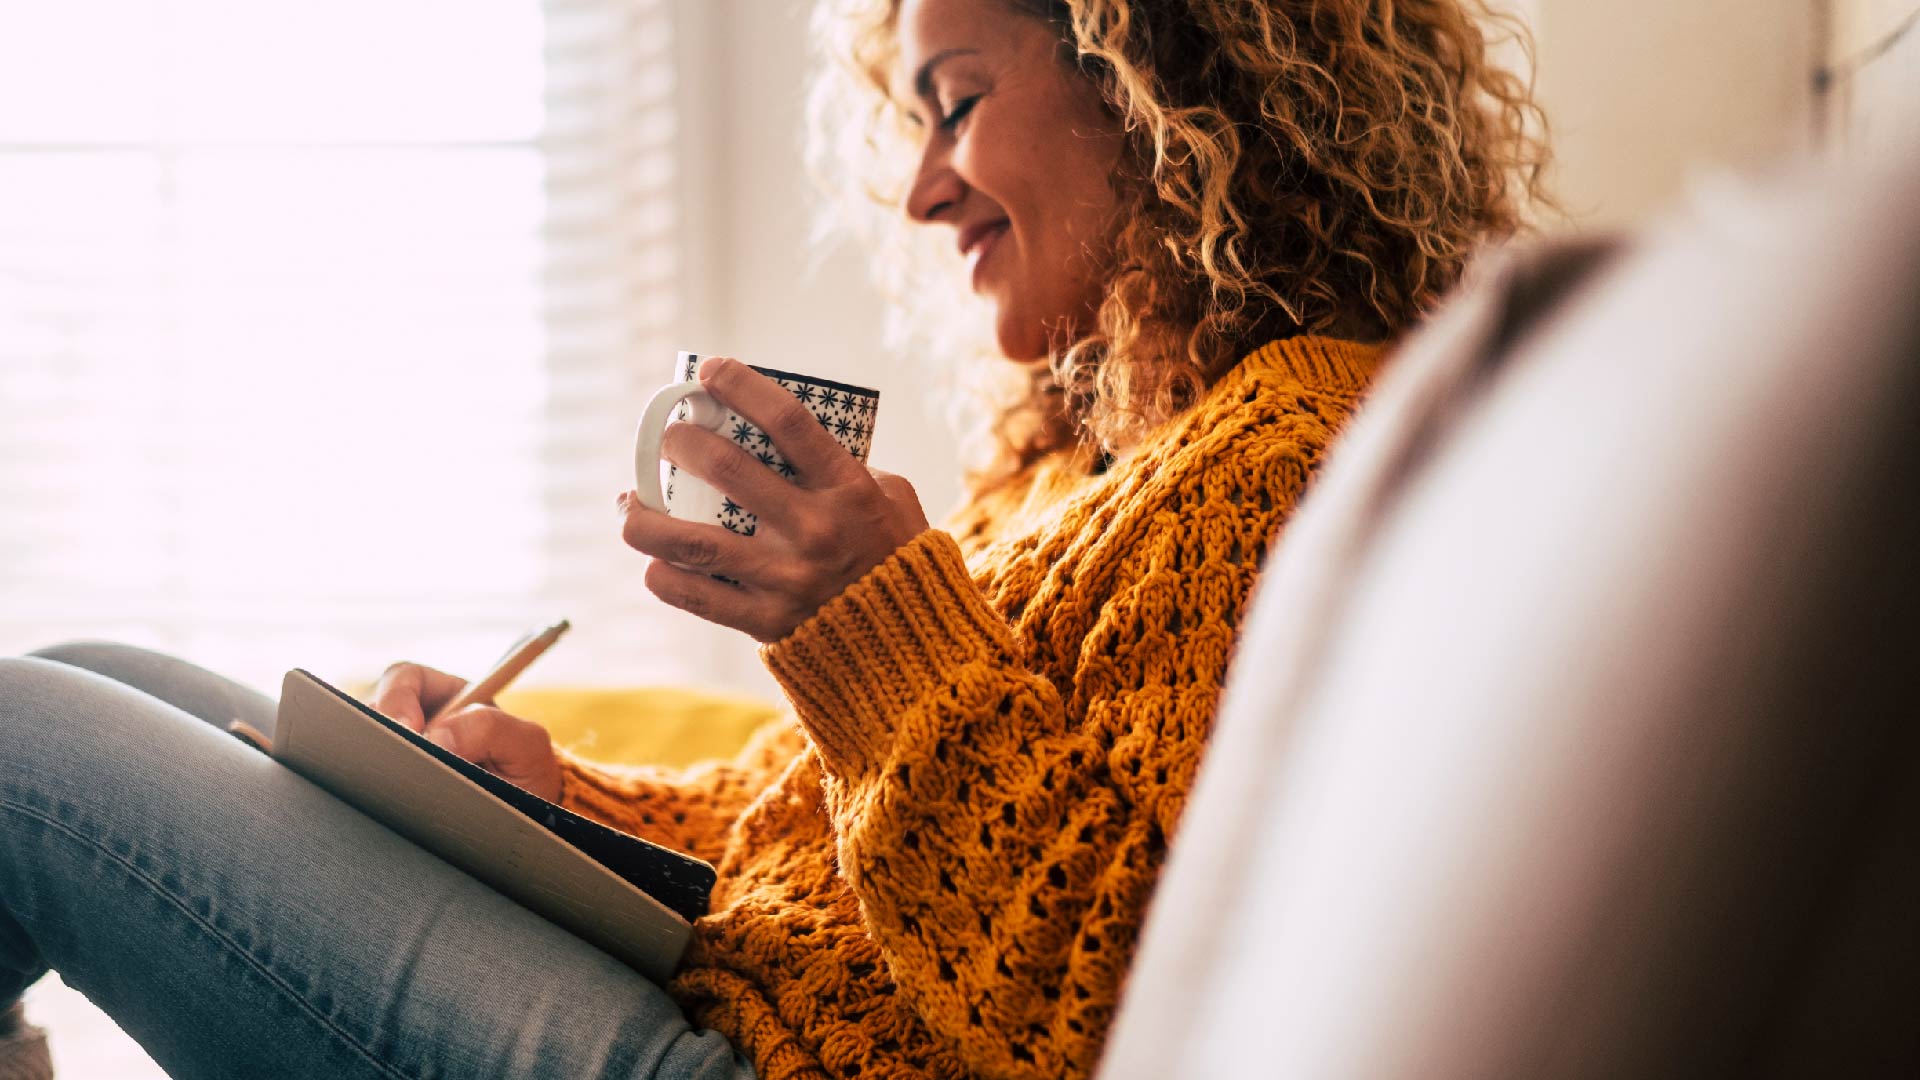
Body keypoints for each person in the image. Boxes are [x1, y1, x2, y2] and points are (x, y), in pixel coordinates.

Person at [0, 0, 1548, 1077]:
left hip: (761, 1064)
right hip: (748, 1002)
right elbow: (805, 837)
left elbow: (1126, 1013)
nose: (930, 187)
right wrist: (548, 806)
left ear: (1158, 72)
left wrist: (880, 638)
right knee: (93, 668)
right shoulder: (1094, 459)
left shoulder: (1290, 457)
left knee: (19, 739)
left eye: (958, 99)